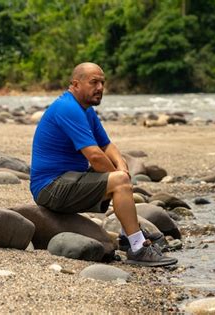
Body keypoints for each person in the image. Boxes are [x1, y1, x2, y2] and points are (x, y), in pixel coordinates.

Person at [30, 62, 177, 267]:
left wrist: (121, 168)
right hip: (50, 187)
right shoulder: (68, 107)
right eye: (93, 82)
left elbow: (106, 145)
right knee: (119, 183)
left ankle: (130, 236)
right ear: (75, 84)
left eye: (102, 82)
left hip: (69, 179)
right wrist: (120, 179)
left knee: (120, 179)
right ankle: (137, 247)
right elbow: (95, 156)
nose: (99, 88)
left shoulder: (86, 110)